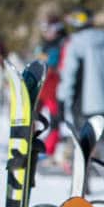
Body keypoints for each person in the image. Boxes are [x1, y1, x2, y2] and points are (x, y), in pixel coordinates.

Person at [57, 8, 104, 128]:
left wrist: (62, 99)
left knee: (85, 140)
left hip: (81, 102)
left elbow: (69, 74)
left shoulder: (75, 43)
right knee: (102, 137)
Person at [34, 15, 67, 155]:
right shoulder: (45, 46)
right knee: (33, 115)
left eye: (47, 29)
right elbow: (40, 60)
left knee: (55, 119)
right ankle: (33, 143)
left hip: (54, 87)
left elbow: (56, 65)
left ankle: (50, 149)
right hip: (43, 86)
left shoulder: (62, 44)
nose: (45, 33)